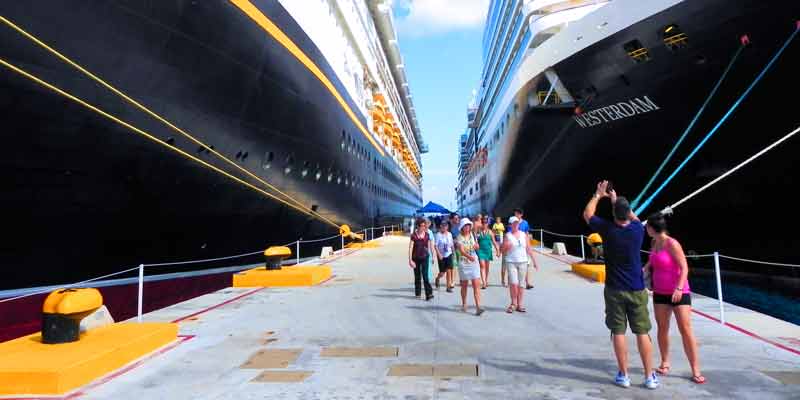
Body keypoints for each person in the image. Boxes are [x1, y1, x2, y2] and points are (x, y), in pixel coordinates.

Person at [583, 180, 658, 390]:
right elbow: (634, 217)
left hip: (615, 289)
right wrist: (617, 201)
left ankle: (624, 375)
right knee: (642, 332)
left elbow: (587, 214)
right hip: (637, 289)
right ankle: (649, 376)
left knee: (618, 332)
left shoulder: (607, 230)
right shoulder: (637, 230)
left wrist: (599, 195)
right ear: (628, 213)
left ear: (614, 215)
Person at [644, 213, 705, 384]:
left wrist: (678, 288)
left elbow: (684, 268)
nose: (645, 229)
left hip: (679, 292)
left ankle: (695, 370)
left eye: (647, 226)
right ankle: (664, 362)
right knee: (662, 328)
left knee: (685, 329)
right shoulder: (654, 242)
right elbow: (653, 260)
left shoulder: (672, 244)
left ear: (652, 228)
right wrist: (646, 269)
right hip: (660, 292)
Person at [502, 216, 539, 313]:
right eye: (513, 223)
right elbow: (503, 250)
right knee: (514, 283)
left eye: (517, 223)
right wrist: (506, 246)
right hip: (511, 262)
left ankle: (520, 304)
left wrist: (534, 261)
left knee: (521, 284)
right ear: (510, 225)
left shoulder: (524, 235)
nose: (515, 224)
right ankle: (513, 303)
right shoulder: (507, 235)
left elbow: (529, 249)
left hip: (523, 262)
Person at [455, 218, 484, 316]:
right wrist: (469, 256)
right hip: (464, 263)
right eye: (465, 226)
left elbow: (477, 246)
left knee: (476, 285)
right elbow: (461, 251)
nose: (467, 227)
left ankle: (478, 307)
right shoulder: (459, 237)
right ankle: (464, 303)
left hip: (473, 262)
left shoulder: (473, 235)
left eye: (468, 225)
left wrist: (476, 247)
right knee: (464, 285)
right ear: (462, 228)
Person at [408, 217, 436, 301]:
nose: (423, 227)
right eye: (421, 226)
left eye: (424, 226)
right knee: (417, 276)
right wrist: (410, 260)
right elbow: (410, 248)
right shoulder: (414, 236)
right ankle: (418, 293)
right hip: (416, 258)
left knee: (425, 276)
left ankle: (429, 294)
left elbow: (431, 246)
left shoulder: (427, 235)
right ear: (418, 226)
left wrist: (433, 256)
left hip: (425, 257)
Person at [507, 208, 535, 289]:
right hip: (513, 247)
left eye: (517, 214)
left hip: (523, 246)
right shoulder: (512, 223)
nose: (516, 215)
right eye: (515, 213)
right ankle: (511, 282)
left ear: (521, 214)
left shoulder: (525, 223)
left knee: (526, 264)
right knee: (512, 265)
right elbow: (509, 233)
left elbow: (527, 233)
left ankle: (527, 283)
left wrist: (528, 243)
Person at [476, 216, 500, 289]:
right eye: (483, 223)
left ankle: (485, 280)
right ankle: (483, 282)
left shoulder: (490, 232)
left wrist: (498, 250)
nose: (484, 224)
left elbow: (494, 242)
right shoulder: (478, 232)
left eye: (485, 223)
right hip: (480, 251)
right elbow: (475, 241)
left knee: (487, 267)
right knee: (482, 266)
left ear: (487, 224)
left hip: (488, 251)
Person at [434, 221, 455, 292]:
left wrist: (453, 253)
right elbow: (435, 245)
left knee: (449, 270)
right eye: (443, 226)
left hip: (448, 254)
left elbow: (452, 244)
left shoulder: (449, 234)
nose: (444, 227)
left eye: (445, 226)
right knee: (442, 272)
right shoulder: (438, 235)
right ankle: (437, 278)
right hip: (441, 255)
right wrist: (439, 254)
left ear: (447, 227)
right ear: (440, 226)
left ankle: (448, 287)